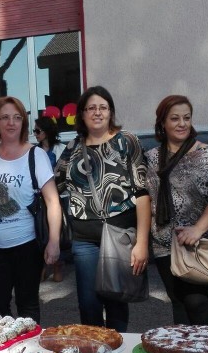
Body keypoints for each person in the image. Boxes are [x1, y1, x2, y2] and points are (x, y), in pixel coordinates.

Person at [54, 86, 151, 333]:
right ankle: (95, 351)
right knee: (88, 302)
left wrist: (142, 242)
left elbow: (142, 192)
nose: (97, 113)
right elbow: (55, 183)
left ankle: (117, 349)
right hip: (84, 238)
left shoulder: (126, 141)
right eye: (91, 108)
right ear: (82, 114)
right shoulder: (73, 146)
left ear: (111, 112)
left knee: (117, 297)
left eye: (103, 107)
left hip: (120, 233)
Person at [145, 95, 208, 327]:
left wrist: (197, 230)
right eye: (175, 118)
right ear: (162, 122)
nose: (182, 123)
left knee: (197, 302)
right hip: (163, 243)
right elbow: (146, 199)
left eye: (186, 118)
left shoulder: (206, 154)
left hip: (197, 242)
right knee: (178, 302)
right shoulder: (151, 158)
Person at [0, 96, 61, 323]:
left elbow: (53, 201)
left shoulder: (36, 155)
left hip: (26, 245)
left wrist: (53, 242)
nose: (11, 123)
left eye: (17, 117)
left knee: (27, 308)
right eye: (5, 117)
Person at [34, 116, 67, 282]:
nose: (35, 134)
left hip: (59, 196)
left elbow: (65, 172)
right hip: (40, 197)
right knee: (41, 232)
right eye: (34, 131)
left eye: (37, 131)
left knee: (57, 232)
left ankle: (58, 265)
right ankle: (44, 265)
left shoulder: (60, 148)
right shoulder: (35, 151)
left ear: (46, 131)